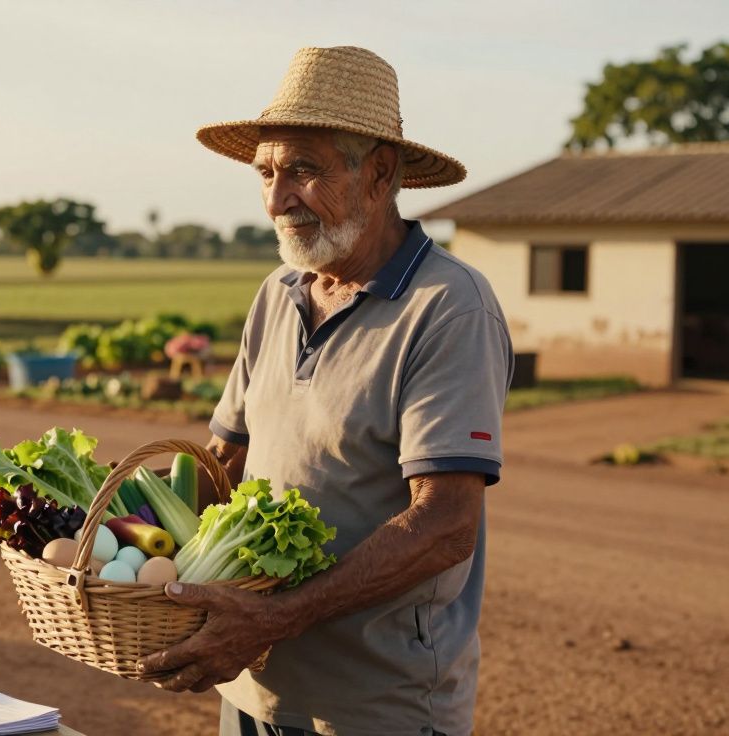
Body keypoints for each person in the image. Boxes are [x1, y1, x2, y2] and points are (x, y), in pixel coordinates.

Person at [139, 46, 513, 736]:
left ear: (377, 173)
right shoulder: (277, 295)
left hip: (377, 709)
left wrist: (275, 617)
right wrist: (109, 520)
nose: (279, 198)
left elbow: (445, 526)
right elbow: (224, 464)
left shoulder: (448, 307)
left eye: (303, 170)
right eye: (267, 173)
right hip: (252, 685)